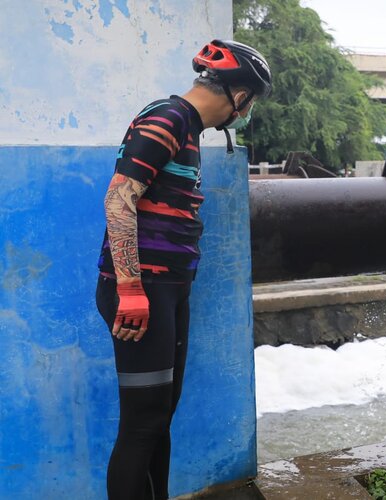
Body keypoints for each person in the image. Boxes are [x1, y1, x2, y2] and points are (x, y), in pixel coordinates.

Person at [95, 39, 272, 500]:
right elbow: (119, 198)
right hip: (142, 290)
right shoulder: (168, 118)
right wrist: (132, 288)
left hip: (166, 288)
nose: (246, 111)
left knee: (158, 418)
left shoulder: (187, 128)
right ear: (238, 95)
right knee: (141, 425)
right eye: (250, 101)